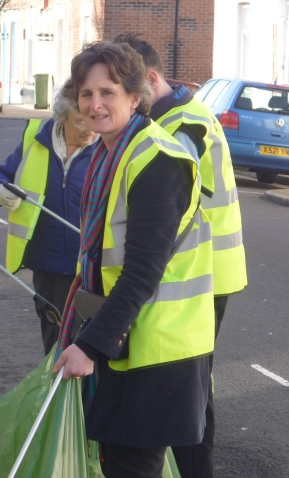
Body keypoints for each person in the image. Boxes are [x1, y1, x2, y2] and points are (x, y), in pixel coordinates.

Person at [53, 41, 215, 478]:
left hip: (159, 350)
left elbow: (144, 270)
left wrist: (89, 343)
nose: (95, 104)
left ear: (134, 94)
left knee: (132, 468)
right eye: (86, 94)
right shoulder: (112, 152)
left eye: (107, 92)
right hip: (129, 338)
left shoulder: (157, 159)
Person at [114, 33, 248, 477]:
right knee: (184, 390)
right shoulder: (175, 117)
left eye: (131, 87)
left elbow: (168, 212)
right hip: (195, 272)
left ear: (151, 79)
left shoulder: (183, 125)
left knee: (192, 393)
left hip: (199, 275)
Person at [0, 88, 98, 354]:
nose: (89, 130)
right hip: (46, 264)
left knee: (88, 343)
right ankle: (57, 393)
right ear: (61, 117)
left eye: (92, 120)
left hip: (89, 265)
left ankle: (83, 396)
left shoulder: (108, 147)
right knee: (55, 342)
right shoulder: (36, 137)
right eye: (81, 121)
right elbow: (2, 172)